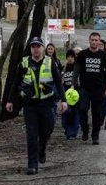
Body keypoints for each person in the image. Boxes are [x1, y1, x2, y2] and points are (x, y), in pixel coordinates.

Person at [6, 36, 67, 175]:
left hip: (47, 103)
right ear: (30, 49)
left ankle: (42, 147)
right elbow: (15, 83)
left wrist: (64, 101)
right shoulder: (24, 63)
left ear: (43, 48)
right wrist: (10, 101)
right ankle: (32, 165)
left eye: (38, 46)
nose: (36, 49)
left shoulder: (49, 62)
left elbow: (58, 82)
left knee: (48, 129)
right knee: (32, 135)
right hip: (30, 104)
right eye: (33, 46)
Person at [72, 31, 106, 145]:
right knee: (83, 109)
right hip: (84, 88)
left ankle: (95, 136)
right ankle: (85, 130)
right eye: (92, 40)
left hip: (98, 89)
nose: (94, 42)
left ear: (99, 42)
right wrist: (73, 84)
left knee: (97, 113)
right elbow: (76, 70)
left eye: (96, 40)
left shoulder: (104, 56)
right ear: (89, 41)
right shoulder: (82, 54)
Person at [60, 49, 80, 139]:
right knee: (66, 113)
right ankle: (67, 128)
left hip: (76, 96)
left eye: (72, 57)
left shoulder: (78, 68)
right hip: (65, 96)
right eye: (68, 57)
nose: (70, 59)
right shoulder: (63, 68)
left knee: (75, 114)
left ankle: (72, 132)